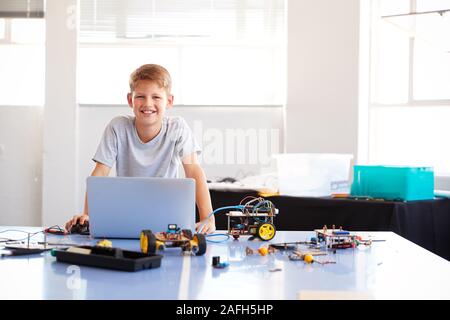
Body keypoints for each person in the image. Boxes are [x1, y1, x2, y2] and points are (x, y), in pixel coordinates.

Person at [65, 64, 215, 234]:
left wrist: (207, 217)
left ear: (169, 101)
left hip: (166, 217)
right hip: (126, 217)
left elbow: (194, 170)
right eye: (141, 96)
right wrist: (87, 215)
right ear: (130, 100)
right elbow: (99, 173)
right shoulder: (118, 127)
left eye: (156, 97)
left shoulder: (177, 128)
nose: (148, 103)